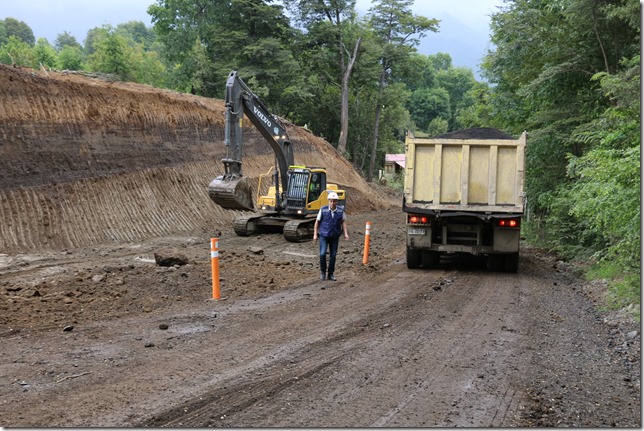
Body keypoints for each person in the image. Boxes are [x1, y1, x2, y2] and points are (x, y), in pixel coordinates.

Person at [313, 191, 349, 281]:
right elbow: (317, 221)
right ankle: (323, 272)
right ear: (328, 201)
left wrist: (345, 233)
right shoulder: (323, 209)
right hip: (324, 235)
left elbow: (343, 222)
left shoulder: (341, 210)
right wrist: (315, 234)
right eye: (331, 201)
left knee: (333, 255)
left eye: (334, 201)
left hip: (335, 236)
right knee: (322, 254)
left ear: (337, 202)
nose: (332, 203)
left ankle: (331, 274)